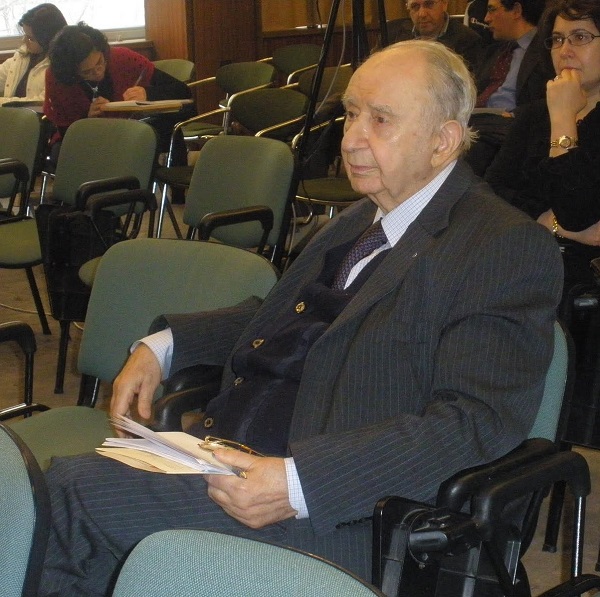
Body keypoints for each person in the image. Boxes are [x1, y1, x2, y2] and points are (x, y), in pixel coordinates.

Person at [40, 40, 562, 596]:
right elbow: (277, 319)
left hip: (344, 514)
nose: (351, 138)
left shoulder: (500, 246)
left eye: (380, 120)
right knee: (73, 520)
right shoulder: (360, 219)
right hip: (231, 457)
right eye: (352, 114)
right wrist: (162, 346)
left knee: (68, 495)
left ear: (443, 140)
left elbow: (475, 421)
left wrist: (298, 484)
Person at [485, 0, 600, 300]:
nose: (565, 51)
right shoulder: (535, 114)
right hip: (520, 259)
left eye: (580, 37)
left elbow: (576, 211)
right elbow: (492, 192)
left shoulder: (555, 112)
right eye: (558, 39)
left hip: (582, 281)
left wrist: (562, 118)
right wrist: (549, 222)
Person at [43, 22, 194, 168]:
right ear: (72, 73)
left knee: (159, 131)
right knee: (64, 154)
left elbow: (182, 91)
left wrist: (147, 93)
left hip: (130, 131)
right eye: (87, 72)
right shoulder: (57, 79)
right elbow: (65, 131)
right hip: (86, 139)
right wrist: (86, 121)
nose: (97, 72)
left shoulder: (121, 58)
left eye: (100, 62)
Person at [466, 0, 555, 175]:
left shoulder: (548, 50)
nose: (486, 18)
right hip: (477, 121)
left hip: (511, 127)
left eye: (492, 10)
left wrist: (517, 114)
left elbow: (550, 98)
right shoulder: (494, 51)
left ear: (516, 10)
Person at [0, 3, 66, 107]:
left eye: (31, 38)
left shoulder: (60, 67)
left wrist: (2, 102)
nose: (24, 41)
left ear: (49, 39)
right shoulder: (22, 56)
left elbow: (41, 102)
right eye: (25, 35)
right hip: (13, 115)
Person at [387, 0, 484, 69]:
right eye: (415, 6)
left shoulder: (469, 41)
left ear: (444, 3)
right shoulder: (392, 35)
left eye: (429, 4)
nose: (422, 14)